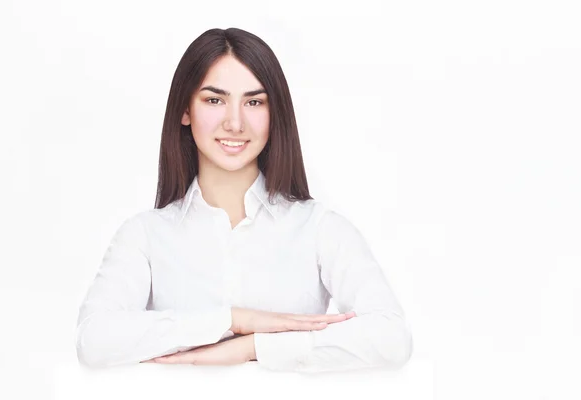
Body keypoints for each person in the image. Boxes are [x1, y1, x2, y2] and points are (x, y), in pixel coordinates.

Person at [75, 27, 412, 373]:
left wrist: (253, 346)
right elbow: (94, 341)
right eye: (214, 100)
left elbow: (391, 337)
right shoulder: (144, 235)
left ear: (274, 113)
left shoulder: (320, 229)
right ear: (185, 110)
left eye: (254, 102)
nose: (235, 123)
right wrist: (234, 320)